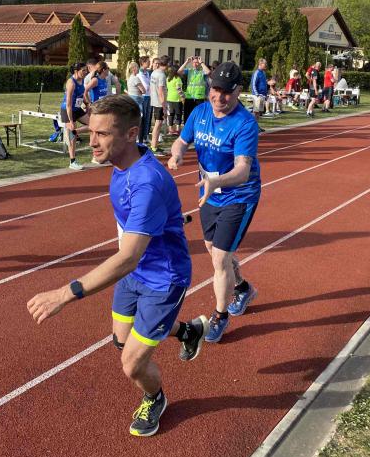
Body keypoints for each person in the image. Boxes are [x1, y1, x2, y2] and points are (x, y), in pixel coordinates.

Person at [27, 94, 209, 437]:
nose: (92, 142)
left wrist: (65, 294)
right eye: (91, 132)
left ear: (130, 134)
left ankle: (155, 398)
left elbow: (127, 257)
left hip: (163, 279)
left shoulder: (146, 182)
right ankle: (188, 331)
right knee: (122, 341)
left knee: (132, 364)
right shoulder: (123, 162)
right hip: (135, 273)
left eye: (103, 134)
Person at [167, 61, 261, 343]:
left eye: (226, 92)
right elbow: (182, 141)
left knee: (220, 257)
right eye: (215, 90)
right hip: (210, 193)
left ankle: (220, 316)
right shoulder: (200, 112)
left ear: (239, 91)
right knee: (212, 249)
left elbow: (243, 170)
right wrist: (177, 154)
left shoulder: (245, 123)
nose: (219, 97)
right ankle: (242, 287)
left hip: (239, 195)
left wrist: (215, 181)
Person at [61, 62, 91, 170]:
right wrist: (70, 120)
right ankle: (72, 161)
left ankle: (75, 131)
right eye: (83, 70)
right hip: (67, 110)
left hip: (77, 109)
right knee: (72, 138)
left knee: (93, 125)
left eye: (86, 70)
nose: (85, 72)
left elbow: (82, 95)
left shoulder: (81, 80)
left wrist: (87, 104)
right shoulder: (71, 83)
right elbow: (68, 104)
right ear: (76, 71)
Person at [178, 56, 210, 124]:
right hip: (189, 97)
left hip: (199, 97)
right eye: (194, 62)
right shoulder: (189, 71)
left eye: (197, 62)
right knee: (187, 117)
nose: (195, 64)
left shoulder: (202, 71)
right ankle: (187, 129)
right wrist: (186, 62)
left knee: (199, 116)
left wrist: (202, 62)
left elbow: (208, 72)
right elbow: (179, 71)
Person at [148, 56, 168, 155]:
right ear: (167, 65)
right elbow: (161, 92)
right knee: (158, 123)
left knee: (157, 123)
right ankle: (154, 147)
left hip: (155, 101)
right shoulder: (161, 75)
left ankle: (154, 145)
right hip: (159, 103)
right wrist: (164, 107)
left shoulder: (154, 72)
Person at [165, 65, 184, 136]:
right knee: (178, 114)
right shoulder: (177, 78)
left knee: (171, 115)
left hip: (169, 98)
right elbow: (179, 89)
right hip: (177, 99)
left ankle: (170, 130)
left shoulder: (168, 78)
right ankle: (177, 130)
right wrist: (183, 97)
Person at [137, 56, 152, 144]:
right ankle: (140, 137)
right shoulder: (139, 73)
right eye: (148, 62)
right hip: (142, 97)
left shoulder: (148, 72)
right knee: (142, 117)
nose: (149, 63)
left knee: (148, 117)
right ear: (142, 63)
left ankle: (146, 136)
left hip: (149, 96)